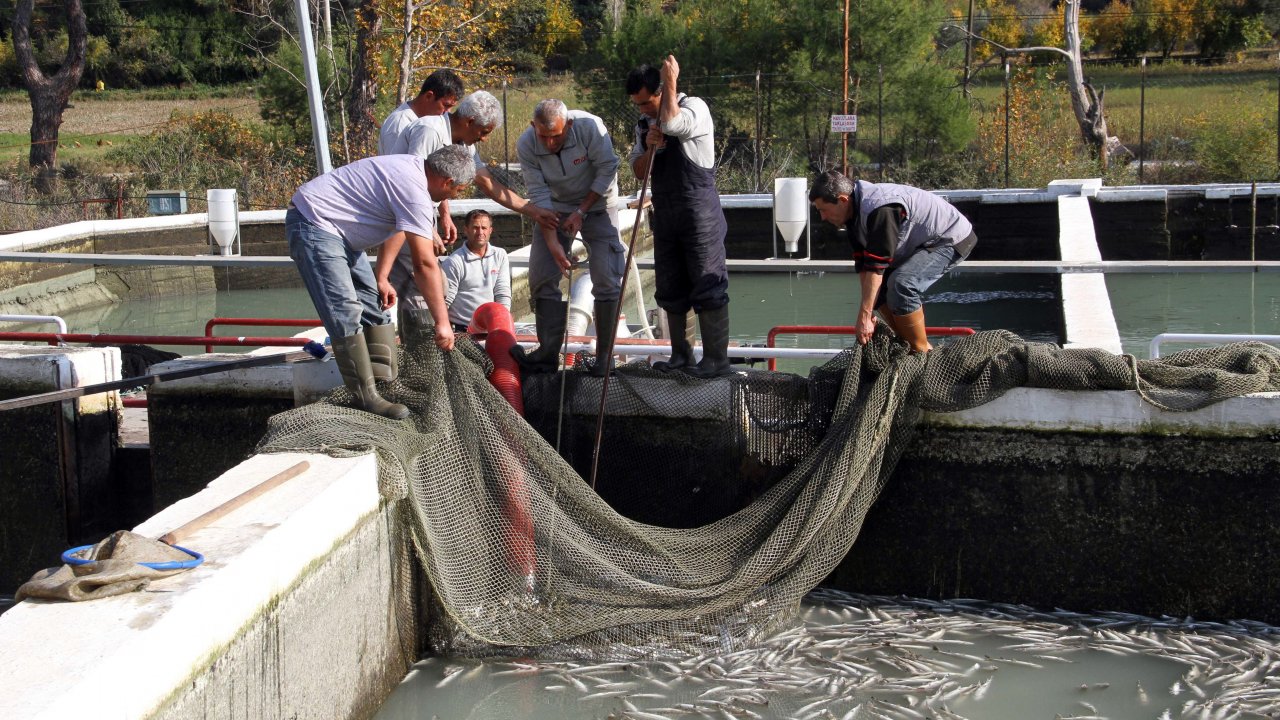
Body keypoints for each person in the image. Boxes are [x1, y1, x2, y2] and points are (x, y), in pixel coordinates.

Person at [287, 144, 475, 419]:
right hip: (314, 223)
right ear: (447, 181)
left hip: (342, 233)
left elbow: (401, 227)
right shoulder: (415, 192)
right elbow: (424, 265)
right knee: (346, 311)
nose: (454, 196)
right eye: (457, 191)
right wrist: (443, 322)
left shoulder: (415, 173)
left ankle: (387, 381)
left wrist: (382, 276)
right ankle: (367, 396)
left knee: (374, 307)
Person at [377, 91, 559, 326]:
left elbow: (486, 183)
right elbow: (414, 182)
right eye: (483, 133)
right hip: (403, 216)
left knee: (432, 286)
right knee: (420, 287)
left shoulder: (465, 144)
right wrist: (428, 229)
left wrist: (532, 210)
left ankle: (430, 340)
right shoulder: (429, 130)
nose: (483, 139)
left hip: (419, 216)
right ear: (470, 121)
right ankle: (422, 349)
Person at [626, 55, 731, 378]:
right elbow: (638, 170)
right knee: (670, 286)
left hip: (699, 213)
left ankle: (715, 360)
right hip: (666, 214)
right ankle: (681, 355)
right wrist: (649, 149)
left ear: (662, 91)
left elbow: (673, 124)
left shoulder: (694, 108)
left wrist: (670, 80)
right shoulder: (643, 125)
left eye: (646, 102)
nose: (642, 110)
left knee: (707, 283)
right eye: (637, 104)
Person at [510, 99, 625, 377]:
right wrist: (552, 243)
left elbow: (607, 169)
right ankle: (547, 354)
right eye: (543, 137)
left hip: (597, 204)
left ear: (569, 125)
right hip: (555, 207)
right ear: (532, 127)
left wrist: (582, 211)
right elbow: (538, 195)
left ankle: (604, 357)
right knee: (541, 275)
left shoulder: (590, 128)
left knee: (607, 277)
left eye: (557, 136)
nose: (550, 144)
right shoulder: (526, 144)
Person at [809, 170, 978, 353]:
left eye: (823, 210)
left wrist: (864, 318)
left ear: (842, 200)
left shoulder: (881, 209)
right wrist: (869, 311)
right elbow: (866, 268)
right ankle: (906, 344)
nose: (822, 218)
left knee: (902, 284)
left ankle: (922, 352)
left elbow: (876, 269)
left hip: (949, 237)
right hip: (919, 242)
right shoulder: (852, 216)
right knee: (878, 293)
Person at [442, 209, 510, 331]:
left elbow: (502, 292)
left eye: (484, 228)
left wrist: (503, 323)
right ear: (466, 230)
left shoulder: (500, 255)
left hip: (492, 326)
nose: (480, 232)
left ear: (490, 230)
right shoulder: (453, 262)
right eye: (475, 227)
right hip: (462, 329)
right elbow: (445, 300)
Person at [378, 69, 464, 156]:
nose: (447, 112)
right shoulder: (399, 124)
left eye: (451, 107)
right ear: (428, 96)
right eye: (446, 105)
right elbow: (394, 166)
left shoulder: (431, 123)